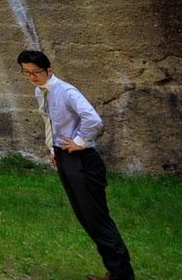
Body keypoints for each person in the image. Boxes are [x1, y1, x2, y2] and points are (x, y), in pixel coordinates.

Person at [17, 49, 134, 280]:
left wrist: (79, 141)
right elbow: (50, 122)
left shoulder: (66, 91)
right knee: (86, 218)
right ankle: (115, 271)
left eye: (36, 72)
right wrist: (53, 150)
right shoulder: (40, 92)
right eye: (27, 73)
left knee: (97, 219)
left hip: (83, 161)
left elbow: (93, 120)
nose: (32, 77)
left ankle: (123, 275)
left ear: (49, 70)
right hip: (65, 158)